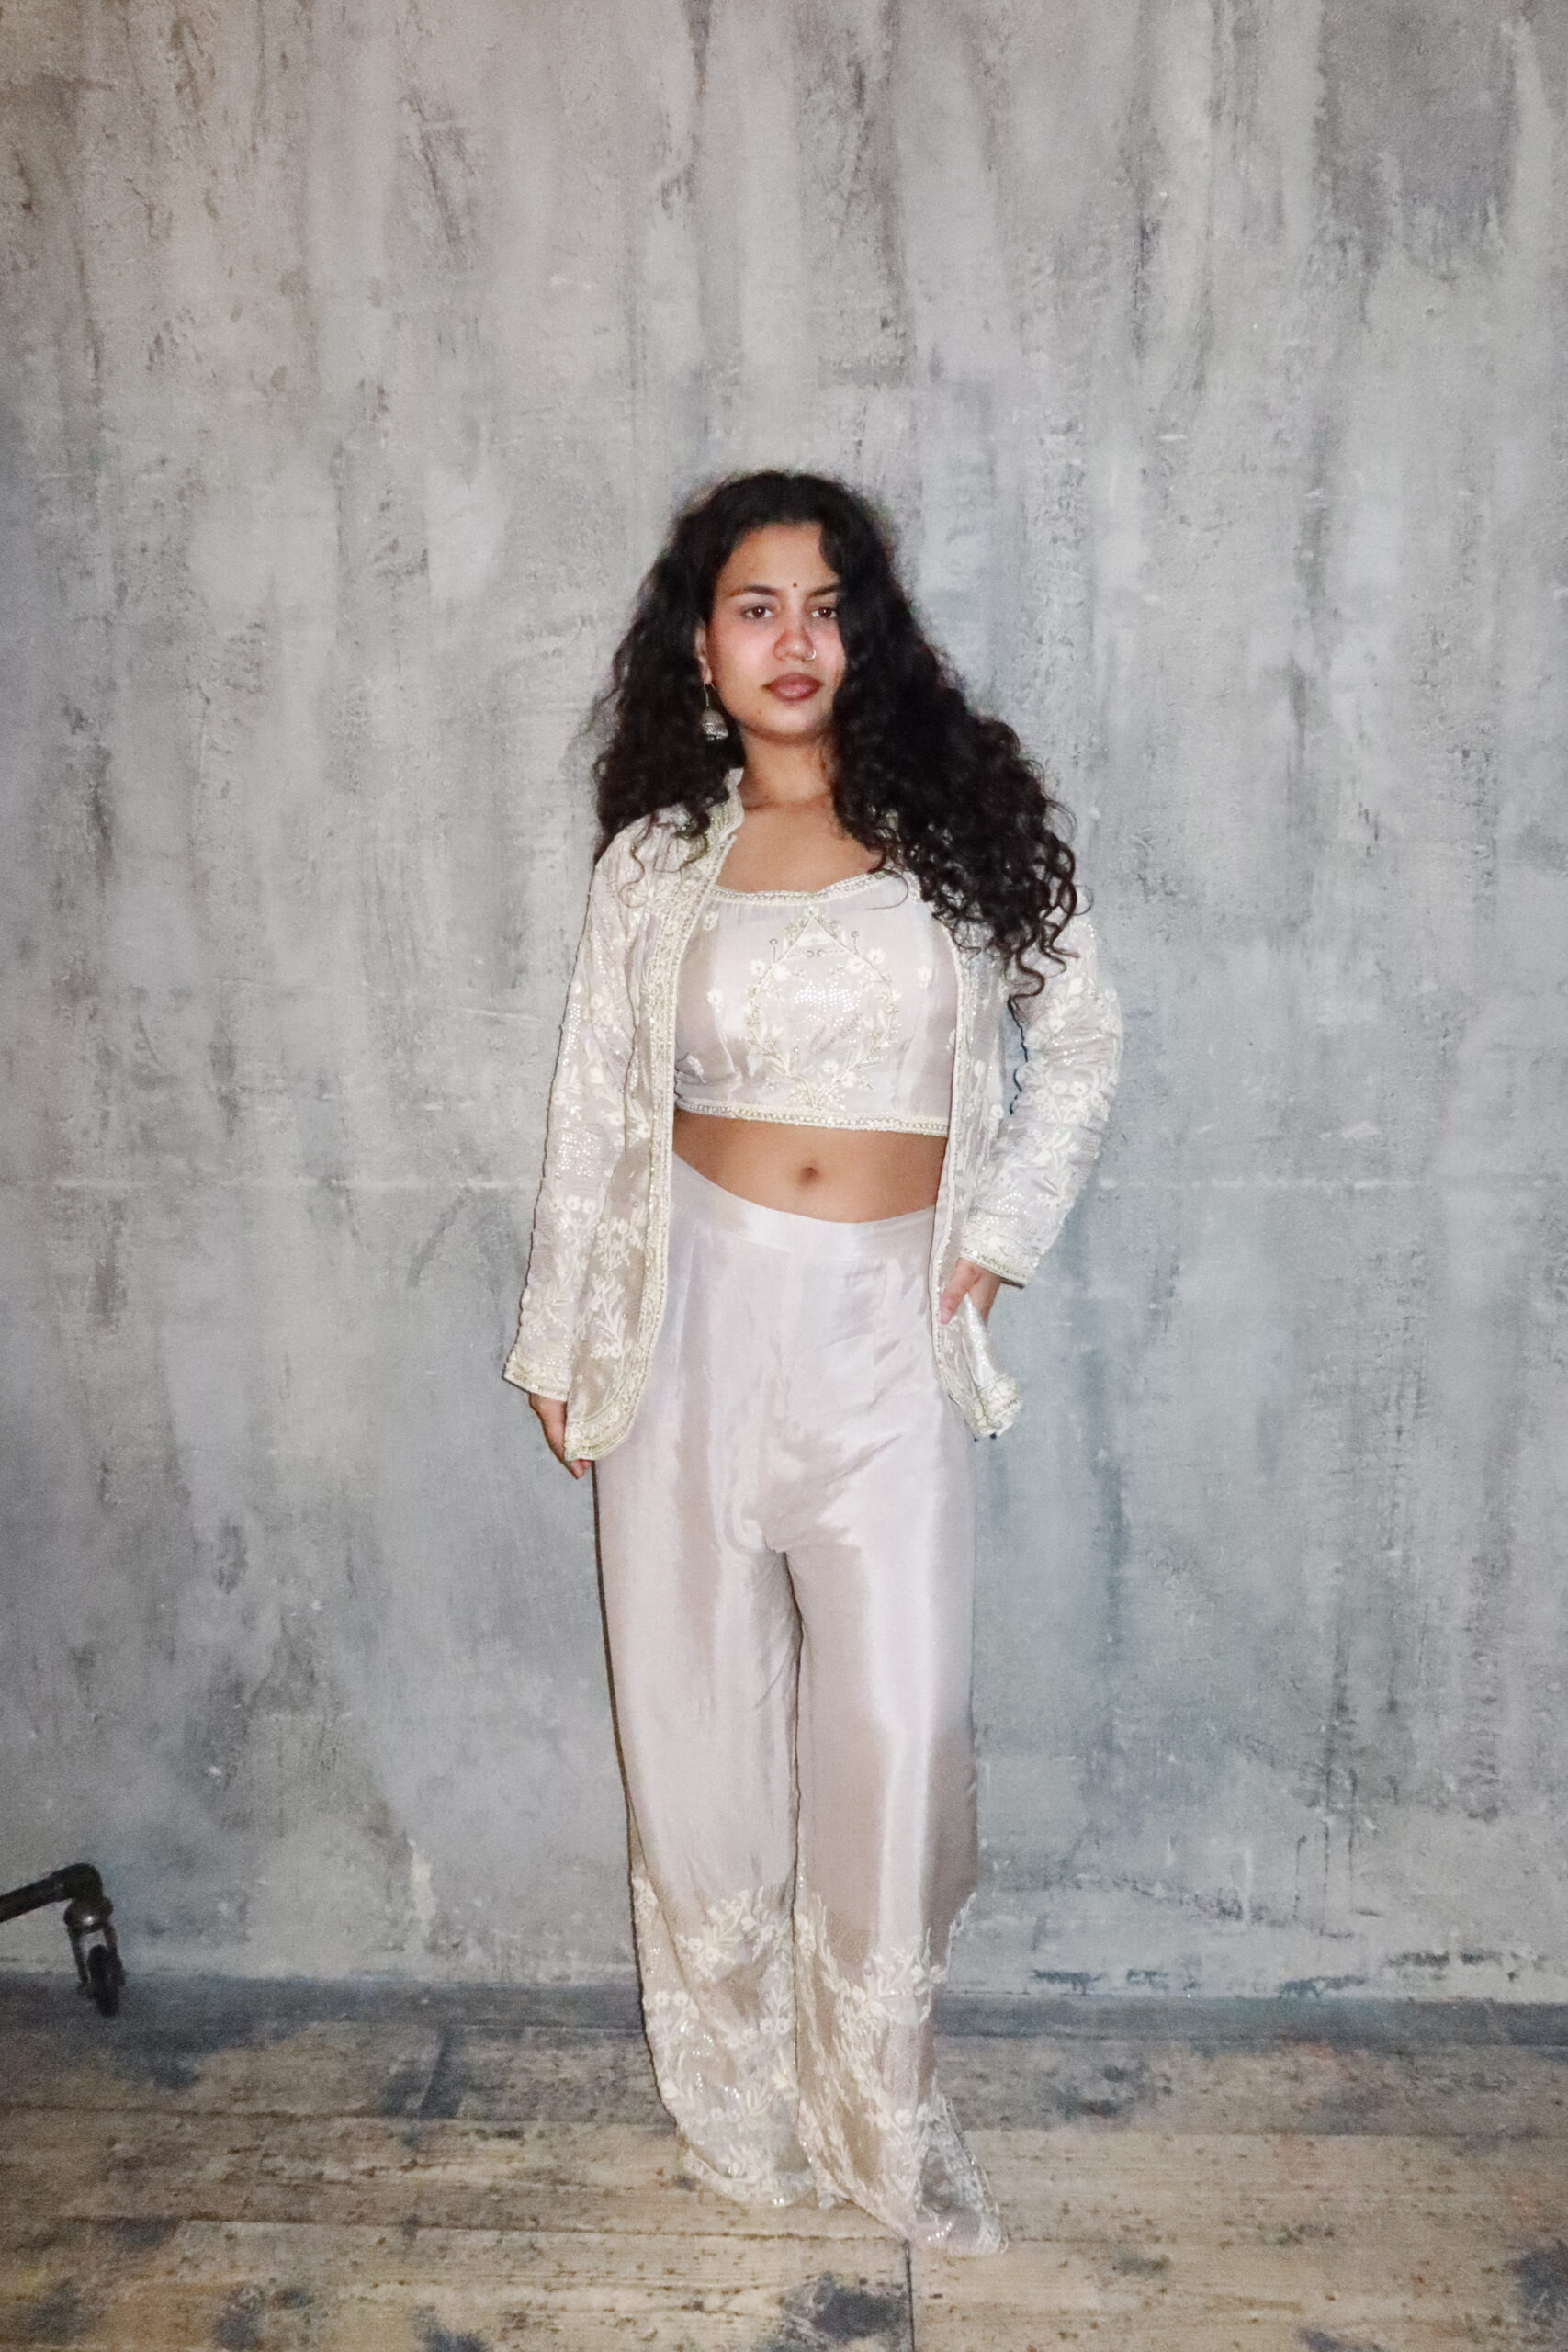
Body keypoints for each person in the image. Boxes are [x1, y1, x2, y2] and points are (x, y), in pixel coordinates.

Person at [504, 471, 1121, 2256]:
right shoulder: (654, 864)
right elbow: (594, 1110)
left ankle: (883, 2108)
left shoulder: (958, 836)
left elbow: (1082, 1039)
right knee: (693, 1724)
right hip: (690, 1319)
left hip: (883, 1336)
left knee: (892, 1726)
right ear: (700, 648)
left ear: (871, 636)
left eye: (828, 605)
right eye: (756, 606)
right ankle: (740, 2106)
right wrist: (561, 1333)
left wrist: (993, 1240)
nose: (795, 640)